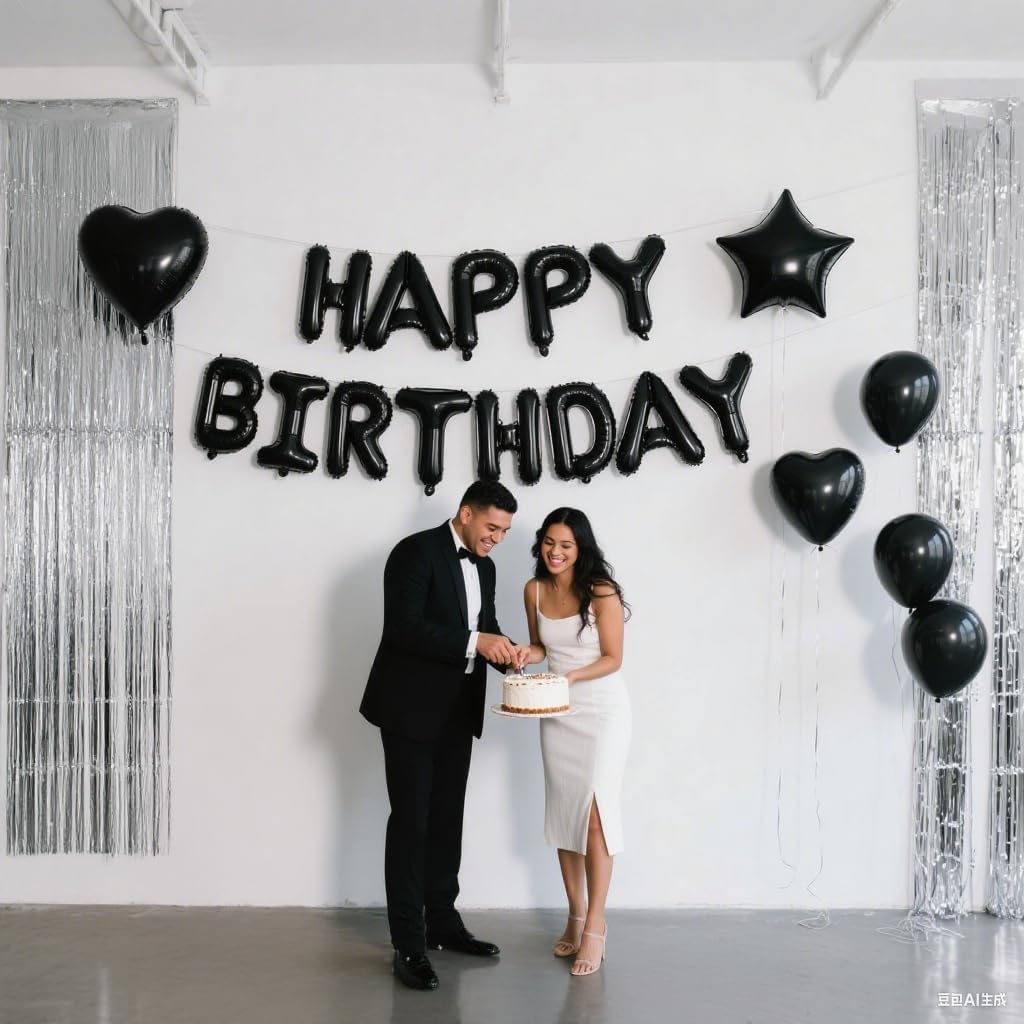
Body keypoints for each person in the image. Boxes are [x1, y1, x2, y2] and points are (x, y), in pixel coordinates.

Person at [360, 480, 527, 991]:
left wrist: (511, 657)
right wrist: (479, 641)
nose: (497, 539)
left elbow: (485, 626)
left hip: (459, 712)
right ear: (466, 513)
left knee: (447, 820)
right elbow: (403, 628)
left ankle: (442, 923)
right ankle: (408, 943)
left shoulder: (487, 567)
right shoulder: (414, 552)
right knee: (411, 823)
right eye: (492, 527)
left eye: (505, 531)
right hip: (409, 710)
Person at [515, 507, 631, 977]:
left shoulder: (601, 591)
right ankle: (576, 914)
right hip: (557, 712)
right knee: (566, 815)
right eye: (549, 542)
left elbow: (613, 657)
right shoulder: (534, 589)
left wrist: (572, 677)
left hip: (602, 711)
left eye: (565, 545)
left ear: (580, 548)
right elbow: (543, 646)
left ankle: (596, 925)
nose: (555, 552)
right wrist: (526, 653)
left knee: (596, 817)